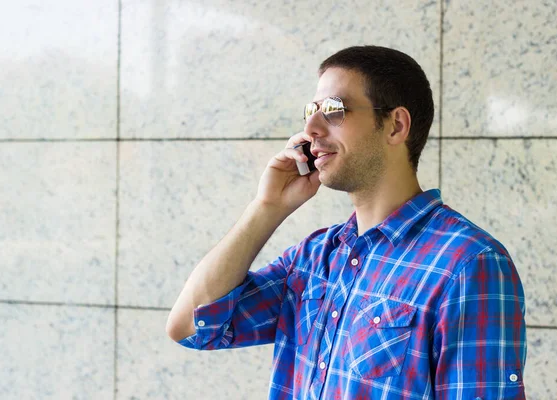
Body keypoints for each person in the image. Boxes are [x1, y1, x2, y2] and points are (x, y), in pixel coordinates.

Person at [166, 45, 526, 399]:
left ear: (395, 126)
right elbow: (193, 327)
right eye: (311, 111)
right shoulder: (315, 257)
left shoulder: (468, 264)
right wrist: (268, 206)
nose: (310, 128)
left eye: (334, 110)